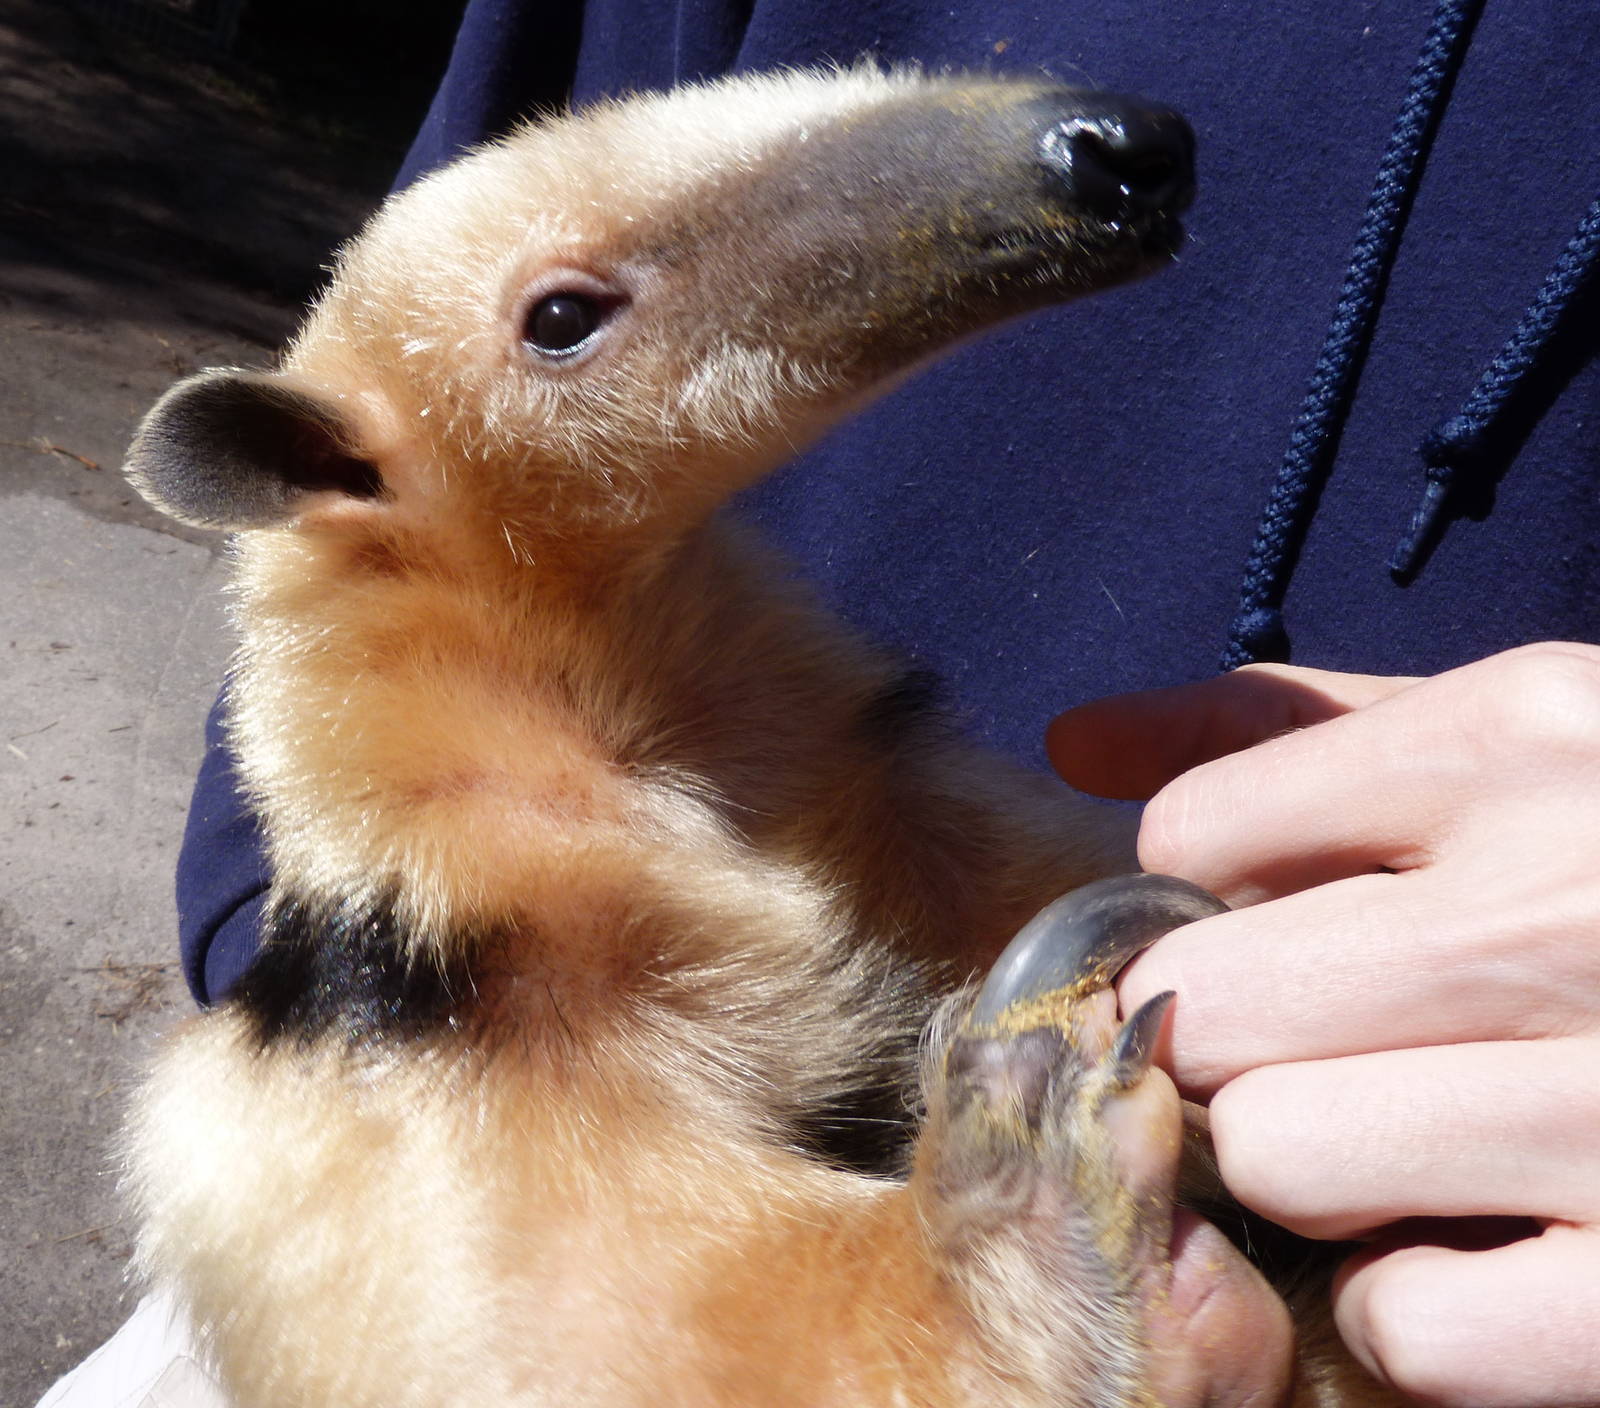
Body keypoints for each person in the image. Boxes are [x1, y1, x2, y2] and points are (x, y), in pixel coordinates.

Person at [52, 1, 1600, 1404]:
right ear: (332, 469)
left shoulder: (806, 716)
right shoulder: (405, 987)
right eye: (570, 324)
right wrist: (978, 1301)